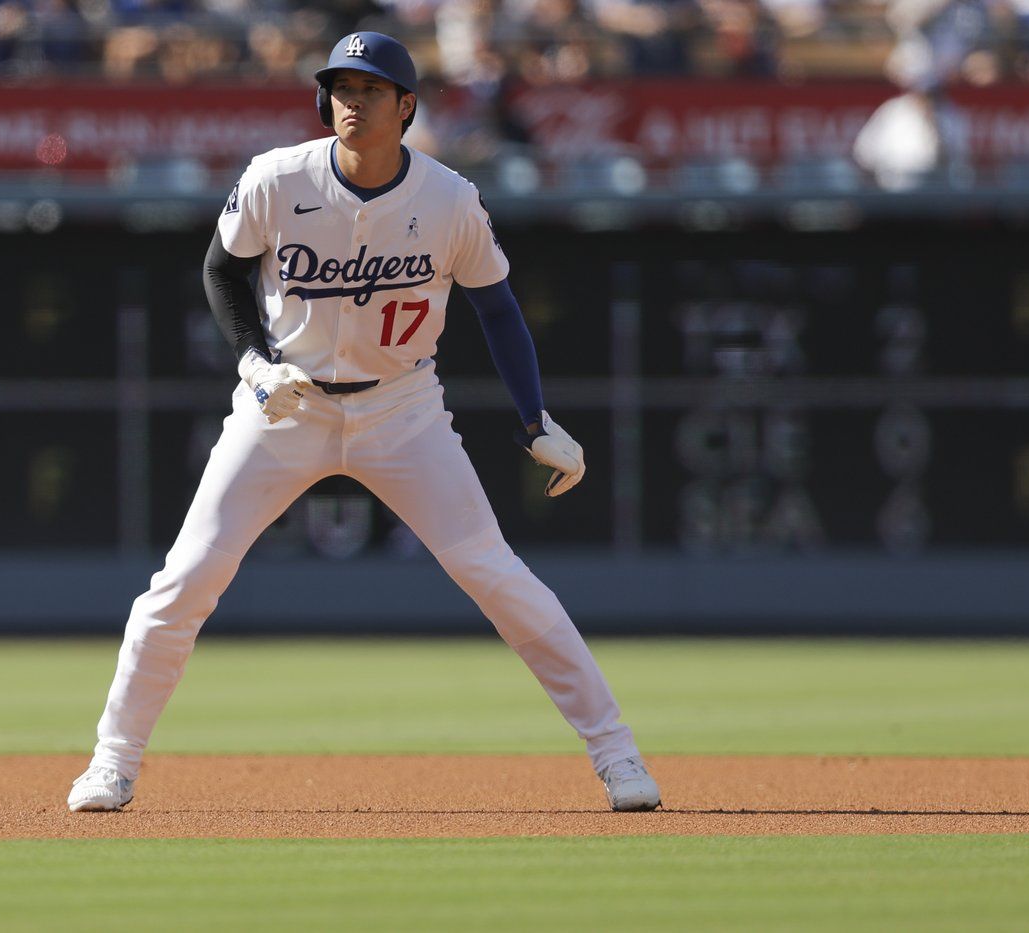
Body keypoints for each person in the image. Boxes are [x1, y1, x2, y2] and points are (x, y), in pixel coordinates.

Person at [67, 30, 661, 814]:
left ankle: (618, 754)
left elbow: (499, 308)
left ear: (406, 105)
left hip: (401, 409)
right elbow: (222, 268)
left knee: (497, 575)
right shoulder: (279, 177)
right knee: (184, 581)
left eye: (370, 89)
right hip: (286, 404)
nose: (351, 101)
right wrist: (252, 360)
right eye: (341, 88)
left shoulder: (449, 198)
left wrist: (533, 418)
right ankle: (112, 761)